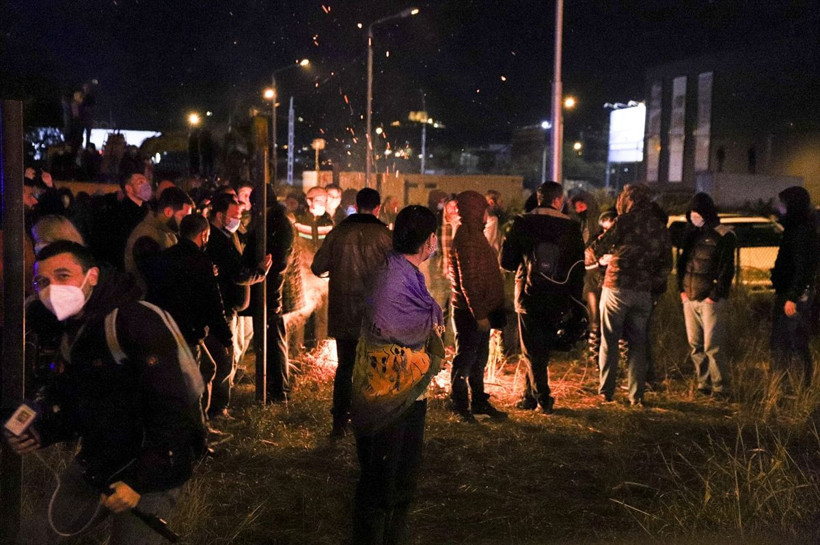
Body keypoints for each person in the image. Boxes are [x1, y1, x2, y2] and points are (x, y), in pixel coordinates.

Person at [5, 241, 206, 544]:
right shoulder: (74, 328)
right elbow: (81, 400)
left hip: (152, 471)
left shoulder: (134, 320)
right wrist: (42, 432)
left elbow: (173, 406)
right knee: (35, 536)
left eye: (63, 276)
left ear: (93, 276)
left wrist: (139, 481)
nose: (52, 289)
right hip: (100, 461)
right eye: (42, 282)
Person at [350, 205, 444, 545]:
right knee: (382, 482)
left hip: (405, 389)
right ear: (429, 240)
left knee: (401, 478)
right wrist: (429, 330)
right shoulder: (393, 278)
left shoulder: (402, 272)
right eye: (435, 236)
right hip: (386, 393)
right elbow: (391, 324)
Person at [311, 188, 393, 437]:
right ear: (378, 208)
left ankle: (339, 422)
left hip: (344, 311)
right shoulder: (385, 236)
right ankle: (369, 421)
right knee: (374, 367)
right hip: (376, 313)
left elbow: (318, 266)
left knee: (345, 367)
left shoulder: (338, 233)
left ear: (356, 206)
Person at [500, 182, 585, 414]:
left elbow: (506, 262)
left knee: (531, 348)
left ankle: (542, 398)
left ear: (539, 199)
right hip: (558, 295)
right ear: (558, 201)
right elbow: (578, 268)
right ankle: (529, 396)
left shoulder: (523, 222)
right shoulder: (572, 227)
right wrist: (575, 301)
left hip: (528, 294)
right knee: (542, 349)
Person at [587, 184, 672, 406]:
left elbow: (597, 248)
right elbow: (666, 265)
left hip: (616, 287)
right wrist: (653, 287)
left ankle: (606, 392)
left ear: (628, 201)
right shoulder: (659, 227)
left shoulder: (623, 222)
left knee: (609, 340)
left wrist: (588, 258)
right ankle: (636, 396)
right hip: (643, 292)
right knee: (638, 345)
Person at [151, 215, 234, 420]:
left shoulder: (164, 257)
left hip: (166, 327)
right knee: (195, 381)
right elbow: (213, 304)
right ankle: (196, 428)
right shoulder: (201, 262)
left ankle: (197, 422)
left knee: (206, 368)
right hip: (189, 332)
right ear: (203, 235)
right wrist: (225, 337)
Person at [206, 194, 270, 418]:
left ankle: (220, 404)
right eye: (234, 215)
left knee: (226, 357)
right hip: (222, 307)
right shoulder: (217, 241)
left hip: (229, 306)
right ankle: (218, 409)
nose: (238, 220)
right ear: (220, 215)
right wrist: (259, 273)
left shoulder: (227, 236)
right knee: (224, 358)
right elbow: (237, 273)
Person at [448, 190, 507, 421]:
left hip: (478, 308)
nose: (487, 214)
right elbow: (469, 280)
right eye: (483, 209)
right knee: (466, 358)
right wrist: (480, 314)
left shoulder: (474, 234)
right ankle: (460, 405)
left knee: (478, 359)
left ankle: (479, 402)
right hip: (470, 311)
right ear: (476, 211)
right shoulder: (467, 238)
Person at [677, 193, 736, 397]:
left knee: (713, 346)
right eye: (691, 213)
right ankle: (704, 383)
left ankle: (721, 387)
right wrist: (682, 291)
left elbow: (726, 269)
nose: (694, 217)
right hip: (690, 297)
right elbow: (682, 264)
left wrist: (715, 295)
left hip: (710, 300)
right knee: (696, 345)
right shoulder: (692, 235)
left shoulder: (724, 235)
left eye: (697, 213)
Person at [770, 186, 819, 387]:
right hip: (788, 293)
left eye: (783, 203)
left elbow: (803, 268)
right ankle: (785, 385)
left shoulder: (801, 232)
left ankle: (795, 387)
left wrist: (793, 296)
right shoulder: (795, 228)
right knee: (785, 342)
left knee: (793, 342)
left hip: (794, 296)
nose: (780, 207)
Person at [123, 186, 193, 298]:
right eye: (183, 216)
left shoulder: (168, 233)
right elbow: (158, 279)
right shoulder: (146, 236)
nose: (187, 223)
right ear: (168, 212)